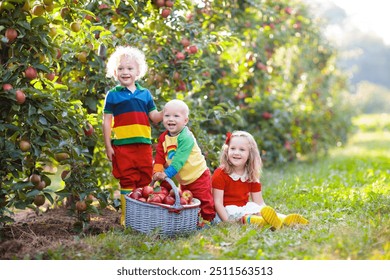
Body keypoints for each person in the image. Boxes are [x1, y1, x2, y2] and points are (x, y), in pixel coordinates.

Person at [103, 46, 163, 225]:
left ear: (138, 72)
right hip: (122, 146)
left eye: (129, 68)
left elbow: (154, 117)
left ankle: (147, 216)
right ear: (115, 72)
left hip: (143, 146)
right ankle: (127, 218)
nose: (125, 72)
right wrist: (108, 146)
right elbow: (106, 121)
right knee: (127, 179)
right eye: (120, 68)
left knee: (146, 178)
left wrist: (167, 111)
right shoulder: (112, 95)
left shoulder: (145, 94)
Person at [212, 130, 308, 229]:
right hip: (225, 212)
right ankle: (266, 222)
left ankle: (284, 219)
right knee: (248, 218)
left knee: (258, 210)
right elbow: (217, 203)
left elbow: (259, 202)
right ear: (227, 151)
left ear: (250, 154)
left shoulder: (250, 173)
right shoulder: (220, 174)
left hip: (244, 208)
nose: (236, 152)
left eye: (242, 149)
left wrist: (264, 211)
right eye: (232, 148)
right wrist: (228, 221)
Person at [152, 99, 216, 225]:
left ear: (185, 121)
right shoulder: (163, 138)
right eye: (167, 116)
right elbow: (159, 156)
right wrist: (157, 171)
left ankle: (209, 220)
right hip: (184, 179)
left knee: (204, 200)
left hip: (198, 175)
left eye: (176, 116)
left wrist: (166, 174)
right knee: (188, 201)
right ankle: (192, 221)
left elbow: (179, 160)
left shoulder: (186, 137)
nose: (171, 119)